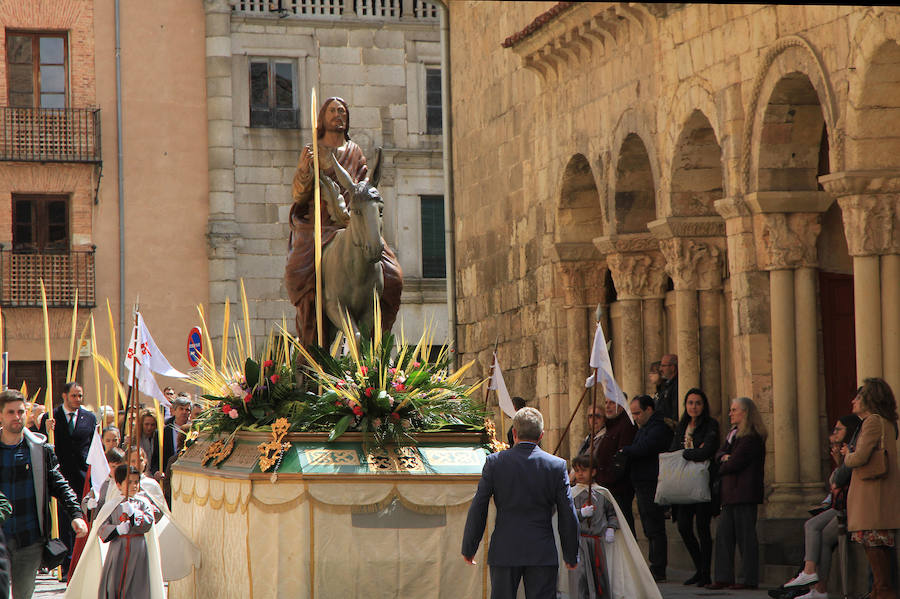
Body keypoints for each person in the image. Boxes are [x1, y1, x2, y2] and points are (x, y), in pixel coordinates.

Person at [285, 96, 402, 346]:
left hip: (354, 220)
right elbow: (299, 194)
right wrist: (305, 172)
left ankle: (381, 332)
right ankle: (309, 323)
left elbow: (362, 186)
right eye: (332, 111)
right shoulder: (312, 151)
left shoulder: (354, 151)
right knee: (299, 270)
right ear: (323, 118)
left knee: (393, 272)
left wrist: (353, 212)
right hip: (320, 224)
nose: (338, 115)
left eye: (342, 111)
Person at [461, 407, 579, 598]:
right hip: (542, 550)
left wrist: (469, 547)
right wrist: (571, 554)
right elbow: (568, 512)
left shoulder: (495, 462)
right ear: (541, 435)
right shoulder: (556, 466)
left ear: (514, 433)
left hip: (505, 549)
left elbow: (479, 506)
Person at [0, 389, 87, 599]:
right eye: (10, 412)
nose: (16, 417)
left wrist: (76, 514)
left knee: (23, 595)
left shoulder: (40, 450)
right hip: (0, 536)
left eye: (20, 411)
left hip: (28, 539)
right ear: (1, 415)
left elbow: (59, 483)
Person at [781, 413, 861, 599]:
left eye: (838, 429)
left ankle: (809, 573)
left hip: (851, 508)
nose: (834, 433)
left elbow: (837, 481)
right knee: (823, 536)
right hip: (843, 505)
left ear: (848, 431)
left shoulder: (852, 449)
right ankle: (819, 590)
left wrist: (841, 462)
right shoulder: (846, 450)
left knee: (812, 526)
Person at [841, 378, 900, 599]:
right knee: (880, 559)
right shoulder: (886, 422)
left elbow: (860, 458)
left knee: (877, 556)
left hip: (872, 499)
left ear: (870, 398)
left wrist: (847, 454)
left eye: (859, 396)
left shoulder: (873, 422)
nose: (853, 400)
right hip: (877, 498)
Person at [36, 381, 95, 576]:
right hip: (58, 477)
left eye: (80, 396)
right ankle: (65, 564)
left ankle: (78, 564)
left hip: (81, 476)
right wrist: (45, 429)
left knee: (80, 520)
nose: (78, 399)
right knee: (62, 520)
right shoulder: (51, 417)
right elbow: (41, 445)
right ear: (64, 395)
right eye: (74, 396)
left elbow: (94, 447)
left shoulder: (89, 418)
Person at [707, 396, 766, 590]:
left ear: (745, 412)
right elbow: (719, 454)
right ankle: (723, 576)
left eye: (734, 410)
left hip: (744, 493)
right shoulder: (733, 434)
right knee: (724, 536)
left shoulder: (751, 437)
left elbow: (734, 463)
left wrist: (724, 461)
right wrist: (723, 458)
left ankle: (748, 579)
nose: (730, 413)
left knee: (746, 537)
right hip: (730, 493)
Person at [669, 388, 720, 587]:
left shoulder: (710, 425)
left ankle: (706, 572)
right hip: (684, 483)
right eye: (690, 403)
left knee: (702, 527)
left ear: (703, 405)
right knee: (683, 526)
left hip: (702, 482)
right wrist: (691, 451)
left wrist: (687, 453)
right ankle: (699, 568)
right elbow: (674, 449)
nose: (694, 407)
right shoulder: (682, 425)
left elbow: (707, 451)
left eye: (698, 403)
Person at [620, 394, 673, 582]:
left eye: (638, 413)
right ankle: (655, 565)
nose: (635, 417)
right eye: (633, 414)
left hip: (651, 482)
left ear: (649, 410)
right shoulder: (644, 428)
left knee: (654, 526)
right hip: (642, 482)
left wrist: (625, 451)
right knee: (649, 526)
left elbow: (644, 448)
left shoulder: (658, 428)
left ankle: (658, 568)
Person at [97, 465, 164, 599]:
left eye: (136, 482)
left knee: (136, 583)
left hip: (138, 548)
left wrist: (134, 514)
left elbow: (148, 522)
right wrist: (117, 529)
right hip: (118, 548)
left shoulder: (144, 503)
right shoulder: (113, 504)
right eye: (129, 482)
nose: (134, 486)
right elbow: (101, 527)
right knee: (114, 583)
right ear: (118, 484)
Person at [568, 454, 618, 598]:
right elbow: (565, 516)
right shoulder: (571, 494)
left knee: (599, 575)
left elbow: (612, 513)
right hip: (579, 542)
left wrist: (611, 528)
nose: (580, 474)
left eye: (584, 470)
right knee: (581, 577)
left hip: (597, 542)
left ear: (594, 472)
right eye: (577, 471)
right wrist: (580, 513)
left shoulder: (602, 493)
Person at [593, 397, 637, 534]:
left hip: (618, 489)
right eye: (606, 402)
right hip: (607, 487)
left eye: (612, 403)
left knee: (624, 530)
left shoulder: (626, 426)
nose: (608, 406)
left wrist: (607, 480)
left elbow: (621, 459)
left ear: (622, 405)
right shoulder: (611, 426)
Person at [150, 395, 191, 478]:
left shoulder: (195, 431)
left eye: (187, 410)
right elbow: (155, 459)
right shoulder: (162, 433)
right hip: (167, 476)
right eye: (181, 409)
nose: (184, 412)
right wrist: (156, 472)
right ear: (174, 411)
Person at [656, 354, 678, 422]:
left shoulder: (676, 385)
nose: (660, 369)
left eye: (663, 366)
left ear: (672, 367)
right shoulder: (665, 384)